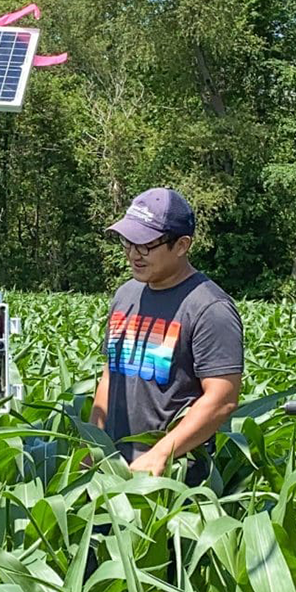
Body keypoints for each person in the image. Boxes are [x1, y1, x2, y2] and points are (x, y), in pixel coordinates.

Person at [90, 187, 243, 484]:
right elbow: (110, 376)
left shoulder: (210, 307)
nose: (134, 254)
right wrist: (92, 442)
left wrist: (161, 454)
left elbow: (223, 397)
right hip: (112, 470)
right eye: (128, 242)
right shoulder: (125, 295)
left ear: (182, 245)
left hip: (173, 477)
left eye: (146, 244)